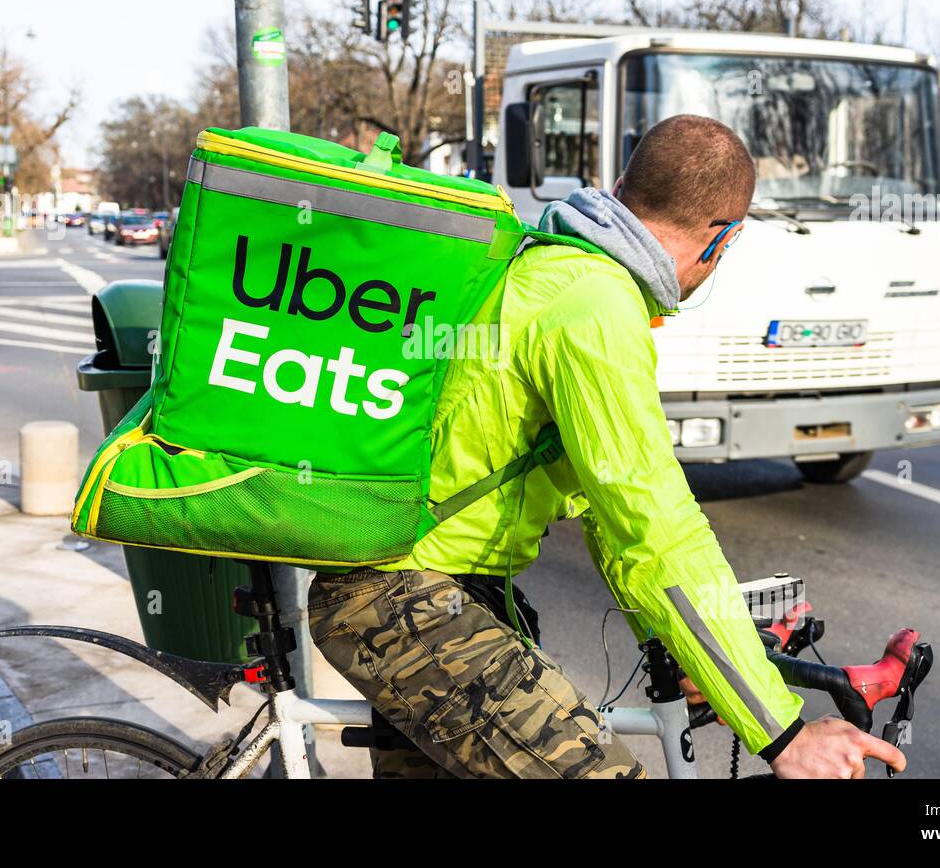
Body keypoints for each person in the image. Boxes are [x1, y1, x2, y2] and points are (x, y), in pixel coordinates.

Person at [308, 114, 907, 779]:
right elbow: (658, 531)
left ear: (621, 186)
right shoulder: (596, 307)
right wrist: (782, 731)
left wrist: (682, 647)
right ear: (725, 237)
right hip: (408, 604)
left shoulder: (547, 268)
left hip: (429, 595)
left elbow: (609, 515)